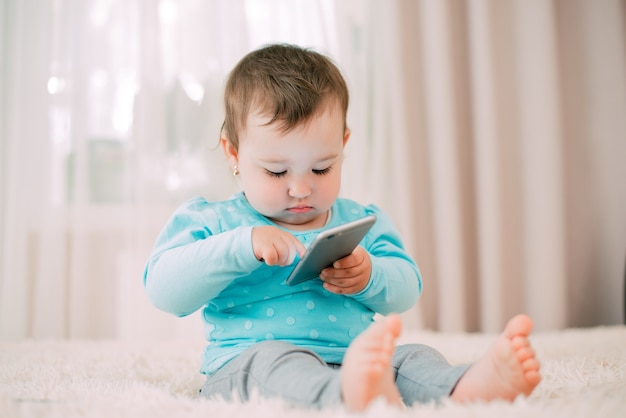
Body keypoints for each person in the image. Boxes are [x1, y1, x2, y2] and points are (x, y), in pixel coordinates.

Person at [143, 43, 541, 411]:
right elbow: (164, 290)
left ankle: (460, 387)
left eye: (322, 168)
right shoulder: (215, 221)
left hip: (354, 359)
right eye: (276, 171)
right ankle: (343, 397)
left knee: (411, 358)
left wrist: (369, 275)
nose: (300, 188)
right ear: (234, 152)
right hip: (247, 363)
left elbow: (406, 289)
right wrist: (240, 246)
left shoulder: (358, 220)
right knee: (273, 362)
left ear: (344, 145)